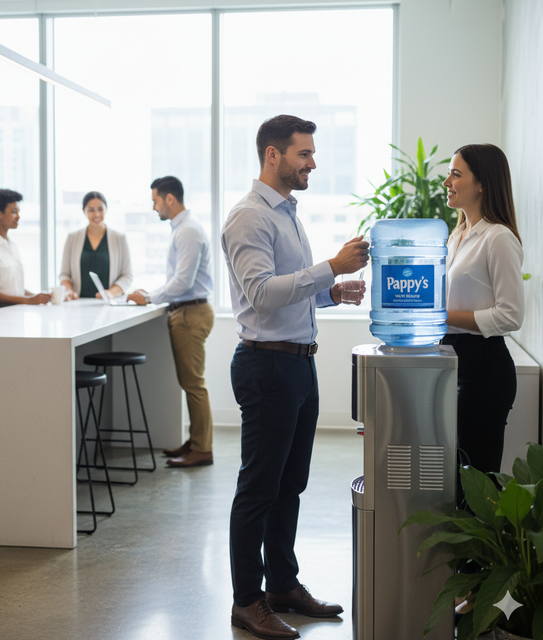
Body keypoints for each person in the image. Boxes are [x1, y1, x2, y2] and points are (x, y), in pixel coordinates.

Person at [221, 114, 369, 640]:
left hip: (297, 362)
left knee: (291, 485)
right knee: (259, 487)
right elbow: (261, 293)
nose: (312, 162)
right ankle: (247, 600)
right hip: (268, 366)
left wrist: (332, 292)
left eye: (310, 153)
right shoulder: (248, 217)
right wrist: (331, 266)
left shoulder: (286, 213)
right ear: (272, 155)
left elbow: (287, 292)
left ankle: (283, 585)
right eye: (303, 154)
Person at [441, 144, 525, 505]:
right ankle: (460, 564)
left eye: (456, 174)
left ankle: (479, 564)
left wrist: (441, 317)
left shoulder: (498, 238)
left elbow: (510, 315)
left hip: (484, 369)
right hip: (453, 361)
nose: (447, 181)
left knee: (478, 485)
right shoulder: (457, 235)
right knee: (457, 479)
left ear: (482, 185)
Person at [127, 176, 215, 468]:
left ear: (169, 199)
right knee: (191, 383)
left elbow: (182, 281)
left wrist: (150, 297)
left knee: (194, 385)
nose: (154, 208)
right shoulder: (184, 229)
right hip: (188, 310)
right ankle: (196, 441)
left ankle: (202, 449)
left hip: (190, 313)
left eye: (155, 201)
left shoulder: (187, 231)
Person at [0, 189, 51, 312]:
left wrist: (40, 297)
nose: (18, 216)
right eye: (14, 212)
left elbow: (13, 289)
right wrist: (27, 300)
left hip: (11, 312)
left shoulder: (11, 245)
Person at [59, 191, 133, 300]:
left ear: (106, 209)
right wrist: (69, 291)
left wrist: (110, 293)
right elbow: (64, 275)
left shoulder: (120, 239)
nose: (96, 214)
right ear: (84, 211)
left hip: (110, 303)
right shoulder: (72, 238)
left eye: (100, 209)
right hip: (78, 303)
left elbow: (127, 275)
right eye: (91, 210)